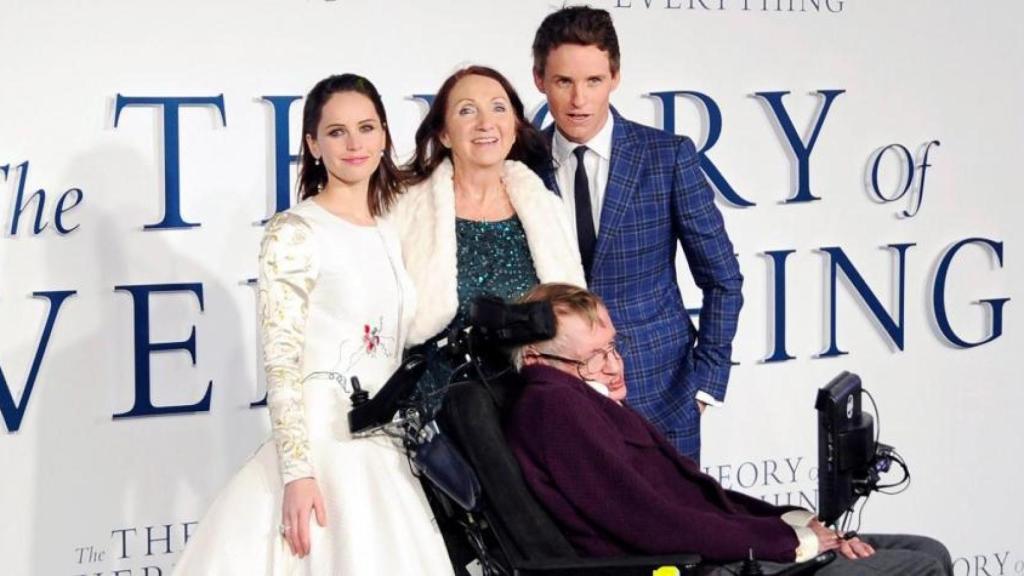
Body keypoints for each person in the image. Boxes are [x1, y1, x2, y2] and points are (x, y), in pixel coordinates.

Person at [172, 74, 453, 575]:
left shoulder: (390, 230)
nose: (354, 144)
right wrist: (297, 474)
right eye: (337, 132)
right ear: (312, 145)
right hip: (322, 452)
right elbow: (281, 363)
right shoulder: (295, 232)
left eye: (367, 128)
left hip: (384, 454)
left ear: (385, 137)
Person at [504, 283, 953, 575]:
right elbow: (652, 524)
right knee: (924, 569)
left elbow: (694, 496)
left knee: (929, 550)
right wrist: (790, 542)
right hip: (697, 565)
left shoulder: (583, 399)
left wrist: (789, 521)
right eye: (592, 359)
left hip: (725, 546)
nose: (615, 366)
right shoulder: (555, 408)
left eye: (613, 347)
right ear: (538, 360)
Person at [531, 6, 744, 462]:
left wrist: (706, 384)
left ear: (615, 77)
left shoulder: (667, 157)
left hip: (661, 393)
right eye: (563, 82)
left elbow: (723, 279)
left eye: (593, 81)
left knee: (679, 532)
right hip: (555, 401)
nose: (578, 100)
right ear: (540, 80)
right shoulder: (519, 163)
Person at [389, 65, 585, 412]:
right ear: (445, 134)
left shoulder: (546, 208)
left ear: (514, 128)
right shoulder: (405, 212)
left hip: (536, 398)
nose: (485, 122)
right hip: (443, 404)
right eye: (467, 110)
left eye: (498, 108)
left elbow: (570, 313)